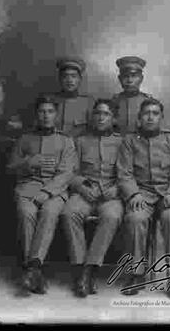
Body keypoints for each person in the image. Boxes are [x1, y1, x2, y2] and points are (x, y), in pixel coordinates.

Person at [117, 98, 170, 298]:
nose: (150, 117)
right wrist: (133, 194)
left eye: (155, 113)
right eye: (146, 113)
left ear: (161, 117)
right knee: (135, 218)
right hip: (142, 194)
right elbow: (125, 173)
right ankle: (136, 274)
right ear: (139, 118)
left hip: (167, 195)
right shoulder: (130, 141)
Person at [7, 94, 77, 295]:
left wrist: (47, 192)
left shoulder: (66, 141)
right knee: (26, 213)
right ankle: (34, 270)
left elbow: (66, 173)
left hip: (54, 191)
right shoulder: (25, 139)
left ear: (56, 114)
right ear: (36, 114)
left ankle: (31, 269)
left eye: (50, 111)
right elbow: (10, 168)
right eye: (42, 111)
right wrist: (28, 162)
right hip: (26, 188)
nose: (46, 116)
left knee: (49, 212)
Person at [61, 99, 124, 298]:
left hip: (111, 195)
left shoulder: (122, 142)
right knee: (68, 213)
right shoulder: (80, 141)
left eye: (105, 114)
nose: (100, 117)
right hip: (85, 192)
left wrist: (116, 190)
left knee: (112, 216)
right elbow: (69, 171)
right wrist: (80, 185)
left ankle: (91, 269)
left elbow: (129, 173)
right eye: (97, 113)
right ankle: (80, 269)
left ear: (113, 119)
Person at [112, 56, 153, 135]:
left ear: (141, 78)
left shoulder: (148, 102)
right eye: (125, 76)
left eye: (134, 76)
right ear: (120, 79)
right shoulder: (114, 101)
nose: (129, 80)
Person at [54, 56, 95, 137]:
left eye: (73, 76)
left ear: (80, 79)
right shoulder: (50, 101)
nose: (69, 80)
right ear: (59, 79)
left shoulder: (89, 103)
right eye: (65, 76)